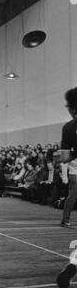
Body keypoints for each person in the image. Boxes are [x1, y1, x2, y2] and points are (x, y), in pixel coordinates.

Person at [58, 87, 77, 227]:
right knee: (72, 196)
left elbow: (64, 157)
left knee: (72, 197)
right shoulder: (68, 128)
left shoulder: (68, 128)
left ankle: (66, 219)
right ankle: (65, 219)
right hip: (75, 171)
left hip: (75, 170)